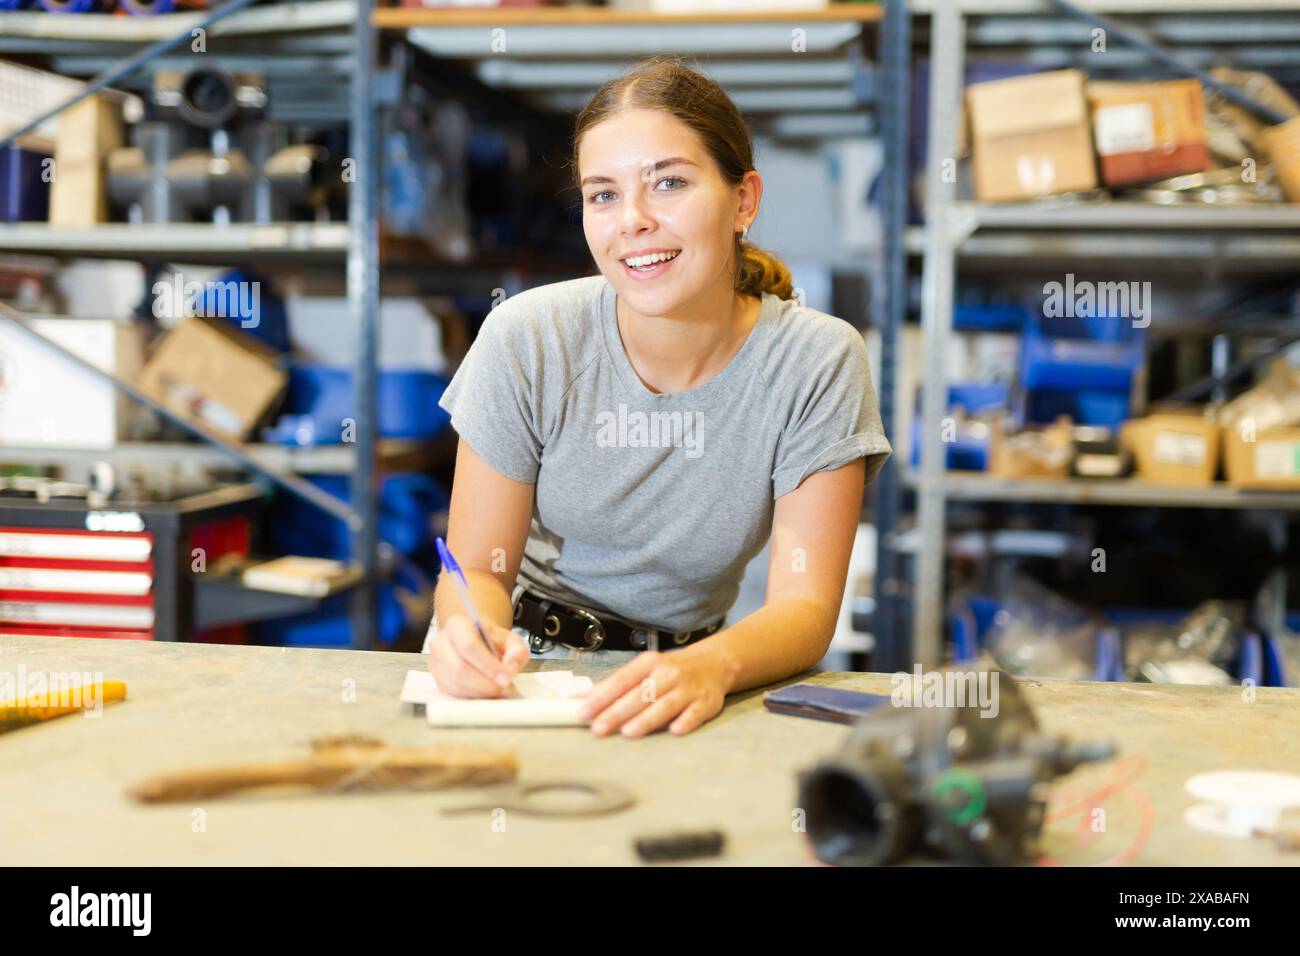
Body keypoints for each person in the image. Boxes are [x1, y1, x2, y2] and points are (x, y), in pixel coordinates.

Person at [424, 56, 891, 738]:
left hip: (699, 685)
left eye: (668, 183)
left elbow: (807, 606)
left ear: (744, 200)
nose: (632, 220)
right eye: (603, 194)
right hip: (528, 683)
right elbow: (477, 571)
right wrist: (466, 632)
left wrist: (712, 668)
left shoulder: (816, 360)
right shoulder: (527, 338)